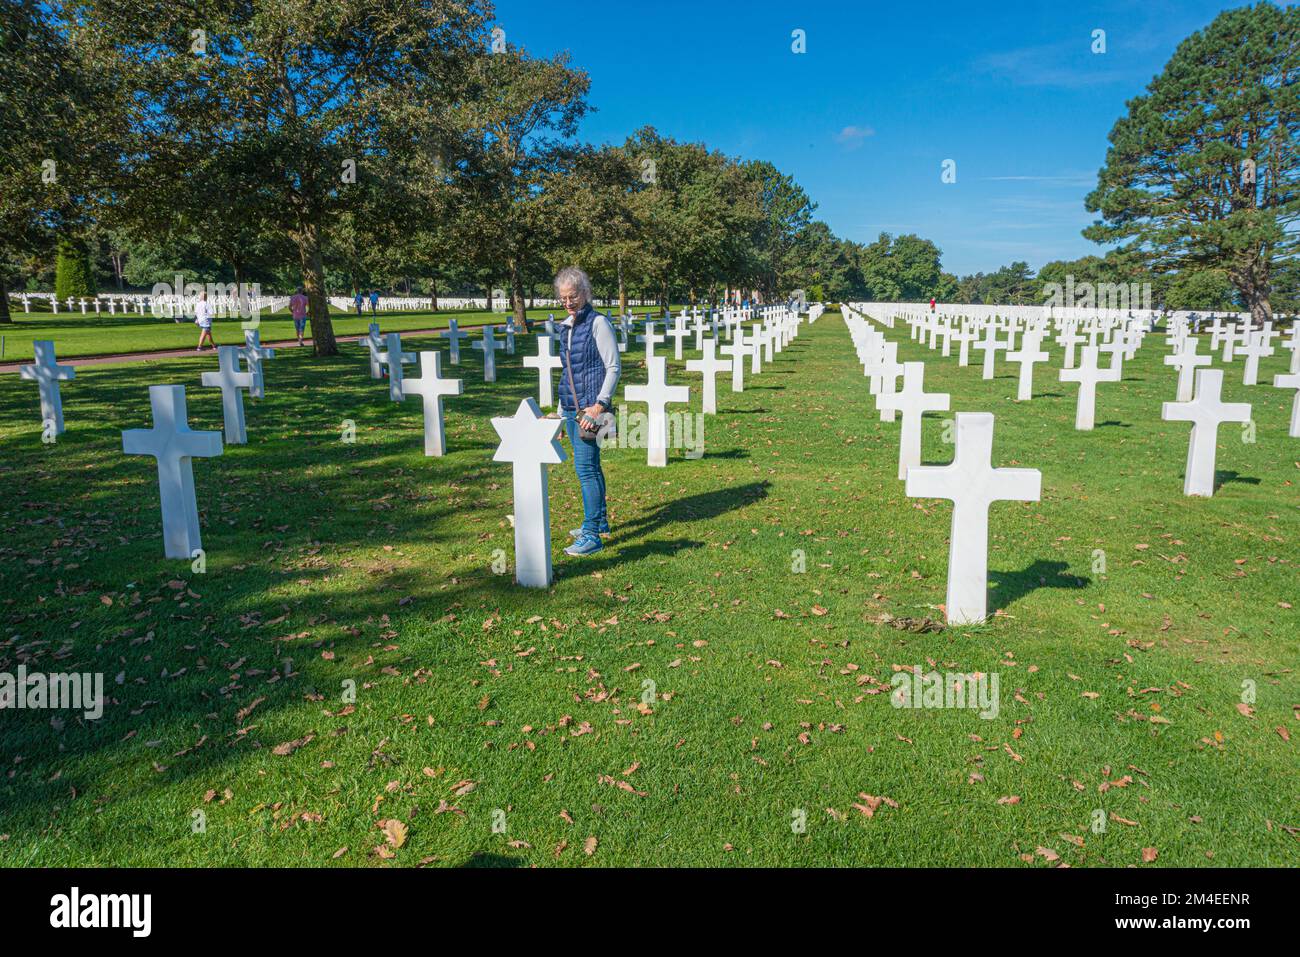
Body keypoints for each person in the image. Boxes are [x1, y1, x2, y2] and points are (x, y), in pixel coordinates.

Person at [554, 266, 620, 557]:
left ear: (585, 293)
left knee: (586, 470)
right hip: (570, 409)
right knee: (589, 468)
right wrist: (559, 412)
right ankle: (600, 522)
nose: (568, 302)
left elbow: (613, 366)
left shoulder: (598, 323)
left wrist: (600, 404)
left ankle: (591, 534)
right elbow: (567, 372)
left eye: (573, 296)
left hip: (590, 412)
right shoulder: (566, 327)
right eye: (563, 298)